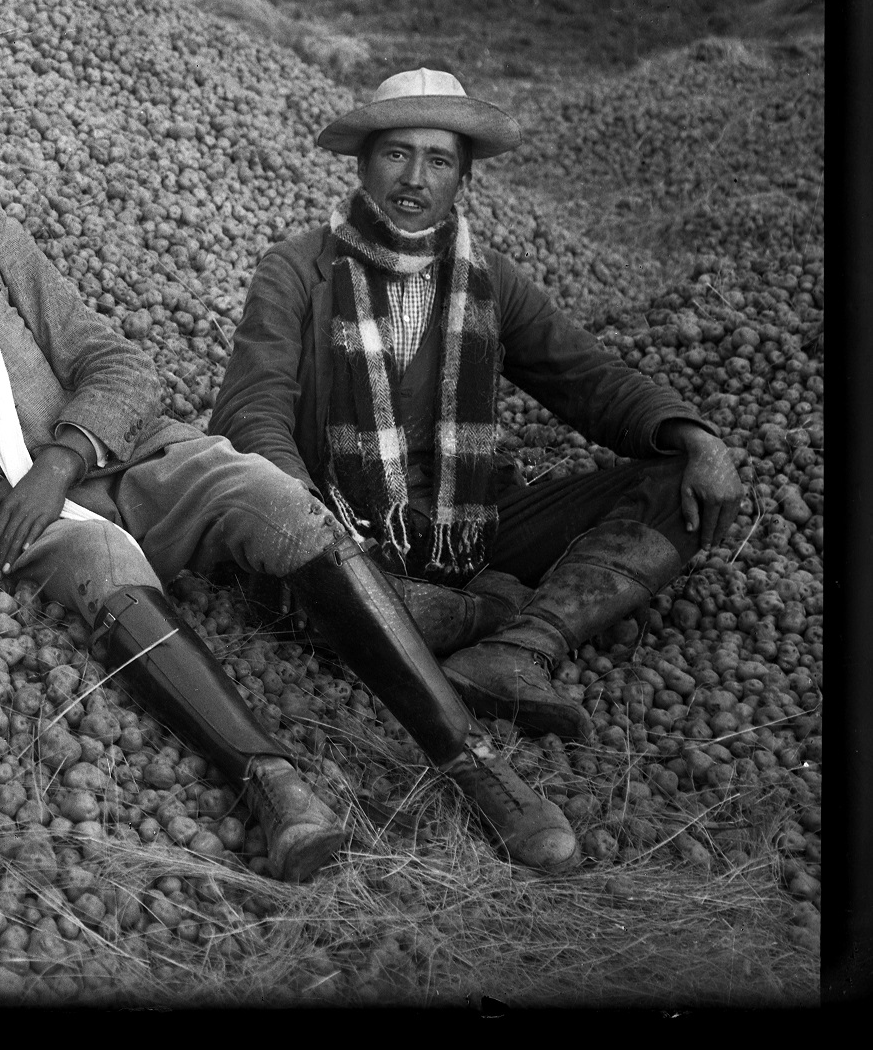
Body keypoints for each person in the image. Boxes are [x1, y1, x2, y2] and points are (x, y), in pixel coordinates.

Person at [0, 37, 579, 878]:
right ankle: (274, 788)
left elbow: (118, 365)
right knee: (99, 560)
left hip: (119, 462)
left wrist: (57, 463)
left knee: (268, 496)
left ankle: (468, 762)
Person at [211, 68, 744, 740]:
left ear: (460, 179)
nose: (414, 179)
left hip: (465, 523)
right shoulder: (296, 269)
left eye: (437, 160)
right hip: (341, 525)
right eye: (396, 154)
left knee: (678, 483)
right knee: (307, 585)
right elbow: (251, 407)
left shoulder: (489, 281)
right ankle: (484, 611)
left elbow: (585, 378)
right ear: (362, 164)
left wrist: (691, 434)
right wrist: (305, 512)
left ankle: (512, 650)